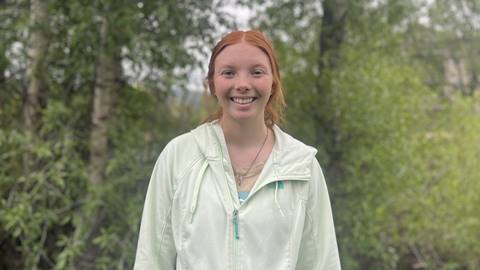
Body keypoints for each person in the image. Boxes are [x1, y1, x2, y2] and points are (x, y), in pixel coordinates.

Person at [133, 29, 341, 270]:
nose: (243, 84)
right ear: (212, 83)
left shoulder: (302, 166)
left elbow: (322, 263)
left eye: (256, 72)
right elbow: (151, 260)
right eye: (229, 73)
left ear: (273, 82)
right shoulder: (178, 156)